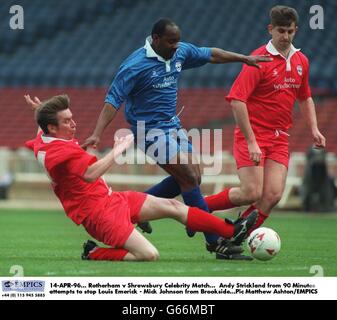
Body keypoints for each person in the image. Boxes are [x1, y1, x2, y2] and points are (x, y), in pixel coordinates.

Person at [81, 18, 271, 259]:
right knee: (189, 177)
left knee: (194, 176)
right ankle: (216, 241)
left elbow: (211, 54)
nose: (176, 46)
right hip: (148, 130)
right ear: (156, 39)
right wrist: (97, 133)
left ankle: (133, 211)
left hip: (173, 126)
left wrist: (243, 58)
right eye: (171, 42)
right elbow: (113, 100)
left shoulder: (179, 52)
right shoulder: (135, 65)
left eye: (178, 41)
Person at [24, 94, 258, 261]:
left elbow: (41, 129)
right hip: (99, 216)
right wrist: (118, 149)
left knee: (173, 206)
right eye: (67, 121)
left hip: (111, 199)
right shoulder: (58, 151)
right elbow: (89, 174)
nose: (73, 124)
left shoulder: (45, 140)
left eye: (71, 117)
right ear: (52, 128)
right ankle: (95, 252)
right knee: (148, 255)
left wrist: (39, 110)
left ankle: (231, 231)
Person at [204, 5, 326, 239]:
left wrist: (314, 129)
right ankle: (199, 209)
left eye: (290, 31)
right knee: (251, 192)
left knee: (272, 195)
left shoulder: (302, 60)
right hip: (253, 135)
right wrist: (251, 142)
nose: (285, 36)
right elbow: (237, 101)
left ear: (296, 30)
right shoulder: (257, 60)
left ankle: (232, 236)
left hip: (280, 137)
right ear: (270, 29)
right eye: (281, 31)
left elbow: (305, 96)